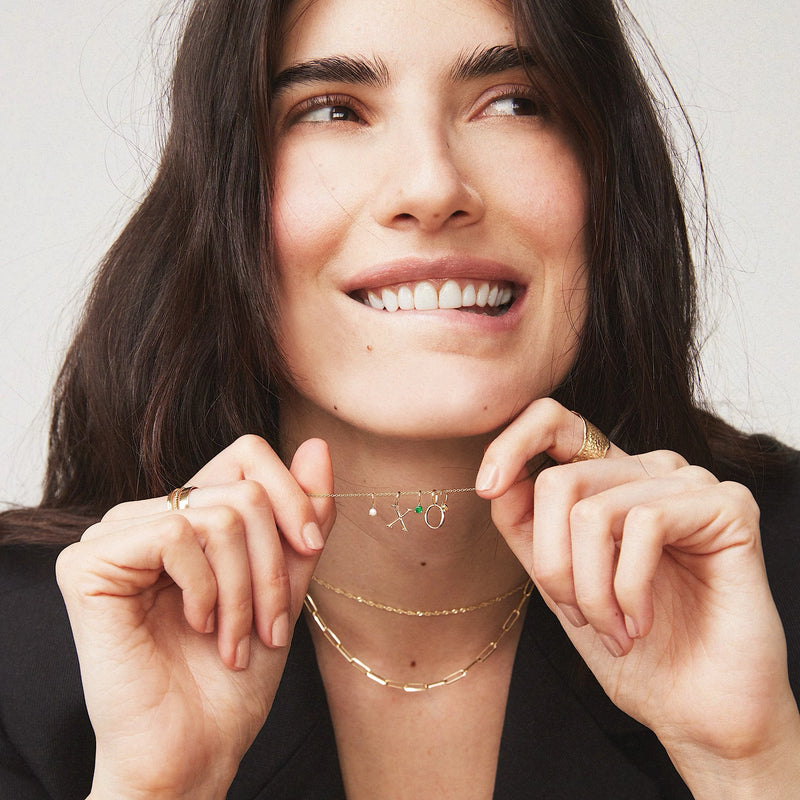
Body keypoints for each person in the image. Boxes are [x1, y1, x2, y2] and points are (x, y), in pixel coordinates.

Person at [1, 0, 798, 797]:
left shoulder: (769, 579)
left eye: (514, 102)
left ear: (605, 166)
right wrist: (155, 787)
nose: (432, 187)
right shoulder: (23, 658)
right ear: (221, 191)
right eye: (332, 110)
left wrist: (750, 763)